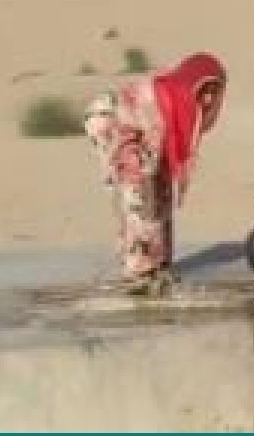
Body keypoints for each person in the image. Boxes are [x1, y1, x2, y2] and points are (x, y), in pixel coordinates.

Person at [83, 52, 227, 296]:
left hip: (138, 130)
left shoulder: (182, 103)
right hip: (110, 122)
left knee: (160, 193)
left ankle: (159, 263)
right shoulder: (167, 98)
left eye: (215, 90)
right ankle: (140, 272)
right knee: (140, 197)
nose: (210, 97)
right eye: (206, 89)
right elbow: (150, 145)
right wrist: (144, 175)